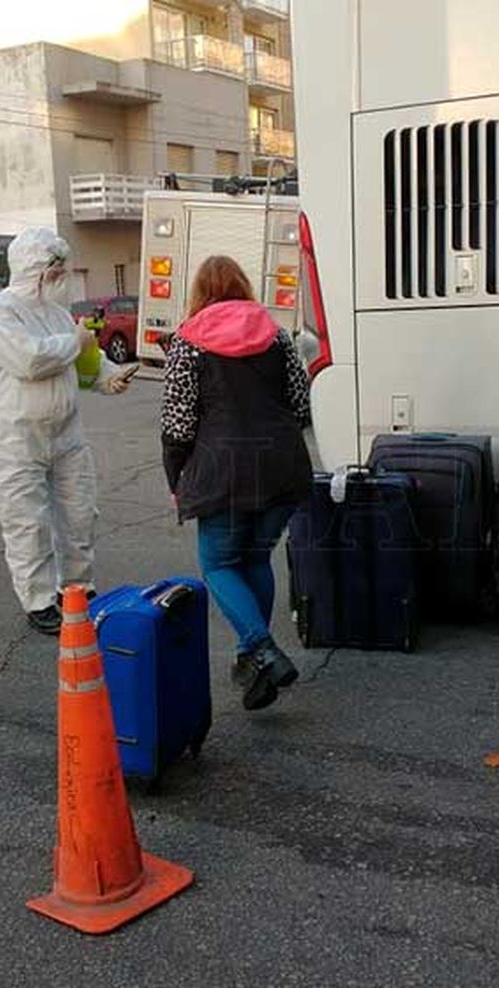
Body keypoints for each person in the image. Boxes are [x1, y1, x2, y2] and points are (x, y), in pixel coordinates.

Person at [160, 256, 313, 711]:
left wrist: (177, 477)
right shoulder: (276, 335)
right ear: (243, 287)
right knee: (255, 558)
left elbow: (178, 425)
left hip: (222, 472)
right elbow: (301, 404)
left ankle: (262, 650)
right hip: (282, 466)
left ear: (199, 293)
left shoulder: (188, 343)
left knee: (220, 565)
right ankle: (253, 661)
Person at [0, 228, 134, 636]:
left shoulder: (57, 315)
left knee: (80, 514)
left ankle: (76, 589)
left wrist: (108, 376)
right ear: (32, 271)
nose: (60, 279)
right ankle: (39, 600)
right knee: (27, 522)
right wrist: (77, 343)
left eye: (63, 270)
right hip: (14, 439)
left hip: (65, 434)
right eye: (54, 271)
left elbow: (82, 364)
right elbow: (30, 360)